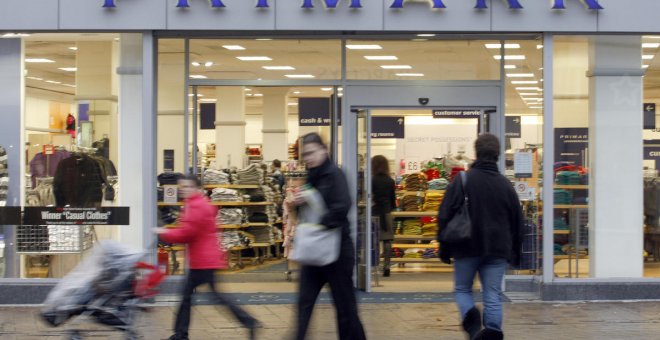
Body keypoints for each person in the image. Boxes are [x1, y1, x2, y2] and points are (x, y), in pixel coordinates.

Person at [437, 134, 523, 340]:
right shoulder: (505, 185)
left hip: (466, 246)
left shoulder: (463, 180)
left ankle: (472, 321)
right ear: (498, 155)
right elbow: (517, 221)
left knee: (462, 289)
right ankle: (492, 333)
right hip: (497, 249)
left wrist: (444, 247)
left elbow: (445, 214)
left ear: (476, 153)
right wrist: (515, 253)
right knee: (493, 295)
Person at [154, 174, 260, 340]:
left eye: (187, 187)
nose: (183, 190)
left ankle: (249, 321)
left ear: (196, 188)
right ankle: (181, 334)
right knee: (191, 296)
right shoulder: (197, 204)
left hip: (203, 261)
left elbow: (186, 233)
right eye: (182, 187)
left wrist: (164, 232)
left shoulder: (196, 207)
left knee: (206, 297)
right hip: (204, 259)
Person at [292, 132, 366, 340]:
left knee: (345, 309)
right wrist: (300, 205)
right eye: (305, 155)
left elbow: (342, 207)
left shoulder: (335, 175)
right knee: (304, 303)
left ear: (324, 150)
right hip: (314, 252)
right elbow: (307, 214)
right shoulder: (311, 176)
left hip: (337, 253)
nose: (308, 158)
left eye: (312, 153)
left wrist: (319, 223)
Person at [371, 155, 396, 277]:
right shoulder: (390, 181)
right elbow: (393, 201)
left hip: (374, 213)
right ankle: (387, 266)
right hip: (386, 213)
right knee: (387, 240)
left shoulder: (371, 180)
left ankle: (374, 265)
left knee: (373, 241)